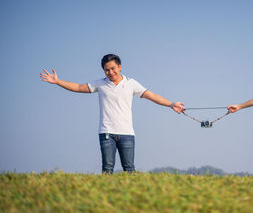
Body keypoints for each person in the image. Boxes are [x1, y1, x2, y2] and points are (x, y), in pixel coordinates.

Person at [40, 54, 184, 174]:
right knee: (107, 169)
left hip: (127, 133)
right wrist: (58, 81)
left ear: (120, 67)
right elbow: (78, 87)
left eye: (113, 68)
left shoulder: (131, 83)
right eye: (106, 70)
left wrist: (171, 104)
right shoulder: (100, 84)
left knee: (129, 169)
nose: (110, 72)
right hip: (106, 133)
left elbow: (152, 95)